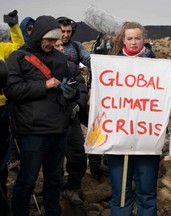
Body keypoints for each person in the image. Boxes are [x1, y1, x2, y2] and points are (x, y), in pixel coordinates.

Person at [5, 15, 78, 215]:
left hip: (59, 130)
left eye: (55, 40)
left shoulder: (60, 58)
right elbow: (12, 90)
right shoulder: (18, 57)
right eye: (49, 39)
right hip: (32, 131)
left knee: (55, 179)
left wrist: (71, 94)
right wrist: (44, 85)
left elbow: (69, 88)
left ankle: (53, 212)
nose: (53, 43)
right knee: (27, 179)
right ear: (38, 35)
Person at [106, 21, 158, 216]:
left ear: (143, 39)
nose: (134, 42)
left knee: (147, 191)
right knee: (120, 193)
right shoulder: (111, 67)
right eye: (130, 38)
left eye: (138, 38)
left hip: (146, 137)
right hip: (118, 136)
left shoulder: (157, 68)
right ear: (123, 40)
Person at [53, 39, 89, 205]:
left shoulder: (72, 67)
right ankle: (55, 190)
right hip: (50, 122)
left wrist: (77, 105)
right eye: (57, 45)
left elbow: (82, 90)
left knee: (78, 155)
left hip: (71, 120)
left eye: (62, 45)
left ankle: (73, 188)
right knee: (53, 159)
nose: (62, 48)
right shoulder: (39, 68)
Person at [0, 9, 24, 216]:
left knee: (1, 157)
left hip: (1, 108)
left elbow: (18, 47)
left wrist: (14, 26)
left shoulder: (1, 47)